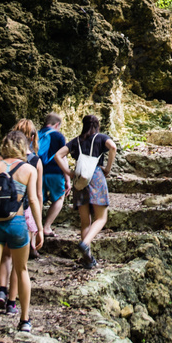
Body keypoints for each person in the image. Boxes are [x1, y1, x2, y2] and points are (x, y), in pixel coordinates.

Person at [0, 130, 43, 341]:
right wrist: (40, 229)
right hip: (16, 223)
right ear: (23, 147)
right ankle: (24, 320)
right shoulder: (28, 169)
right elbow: (33, 200)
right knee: (22, 270)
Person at [52, 114, 116, 268]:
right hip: (96, 177)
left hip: (80, 180)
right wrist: (108, 168)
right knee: (101, 218)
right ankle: (86, 243)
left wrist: (69, 172)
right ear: (97, 126)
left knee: (85, 221)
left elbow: (58, 155)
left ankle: (87, 259)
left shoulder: (76, 141)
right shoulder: (100, 137)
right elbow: (113, 147)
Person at [0, 119, 44, 312]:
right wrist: (38, 223)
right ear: (32, 138)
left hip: (0, 212)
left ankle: (1, 290)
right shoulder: (35, 162)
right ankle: (12, 302)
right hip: (23, 214)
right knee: (19, 263)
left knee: (5, 256)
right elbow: (37, 195)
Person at [38, 113, 70, 237]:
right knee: (59, 198)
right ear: (57, 124)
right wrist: (67, 179)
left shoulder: (36, 134)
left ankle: (34, 228)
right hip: (55, 173)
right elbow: (63, 157)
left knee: (37, 199)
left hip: (37, 173)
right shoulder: (58, 136)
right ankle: (46, 227)